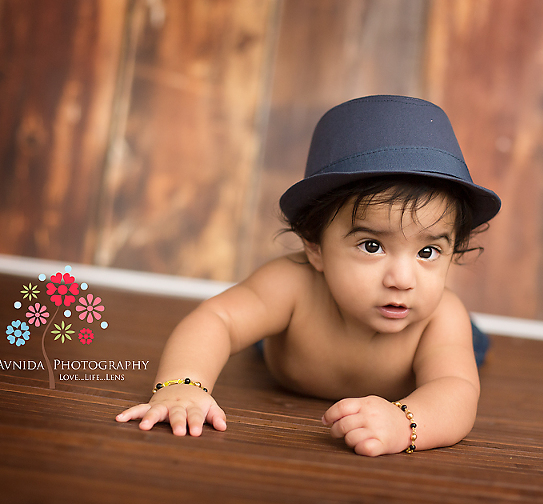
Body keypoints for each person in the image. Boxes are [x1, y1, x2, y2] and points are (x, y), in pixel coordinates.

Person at [116, 95, 501, 456]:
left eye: (428, 252)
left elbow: (456, 391)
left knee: (465, 345)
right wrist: (183, 385)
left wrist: (406, 423)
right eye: (371, 246)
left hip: (440, 340)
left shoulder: (440, 317)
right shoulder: (292, 284)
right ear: (314, 247)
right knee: (258, 318)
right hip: (289, 334)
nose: (402, 279)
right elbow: (216, 319)